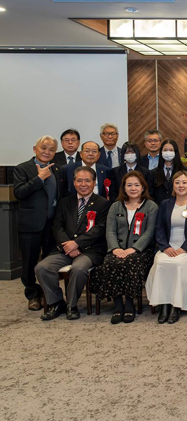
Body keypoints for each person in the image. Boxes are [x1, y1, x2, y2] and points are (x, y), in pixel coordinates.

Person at [36, 166, 110, 320]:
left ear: (94, 182)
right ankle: (56, 302)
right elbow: (57, 226)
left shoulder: (103, 203)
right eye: (79, 180)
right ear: (74, 182)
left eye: (87, 180)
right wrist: (67, 245)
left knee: (78, 268)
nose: (83, 184)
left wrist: (77, 244)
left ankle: (72, 305)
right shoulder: (65, 202)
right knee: (42, 267)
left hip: (90, 250)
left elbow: (100, 229)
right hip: (64, 249)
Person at [92, 171, 158, 324]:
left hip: (141, 251)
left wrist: (134, 249)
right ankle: (117, 306)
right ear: (124, 188)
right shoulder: (115, 206)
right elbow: (110, 230)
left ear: (143, 188)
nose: (133, 188)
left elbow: (149, 232)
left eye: (136, 185)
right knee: (110, 263)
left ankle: (129, 305)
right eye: (129, 185)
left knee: (130, 262)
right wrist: (115, 248)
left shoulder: (150, 206)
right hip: (117, 249)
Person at [146, 170, 187, 324]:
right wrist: (165, 247)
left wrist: (184, 248)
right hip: (168, 247)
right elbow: (159, 228)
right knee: (161, 262)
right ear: (173, 185)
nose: (181, 185)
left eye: (184, 182)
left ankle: (176, 306)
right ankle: (165, 304)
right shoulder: (165, 204)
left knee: (179, 263)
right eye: (177, 182)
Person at [14, 136, 62, 310]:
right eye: (44, 148)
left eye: (51, 149)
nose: (47, 152)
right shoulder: (22, 168)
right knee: (29, 263)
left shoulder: (57, 169)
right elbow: (19, 192)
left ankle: (49, 294)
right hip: (30, 225)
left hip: (51, 225)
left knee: (49, 263)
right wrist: (39, 178)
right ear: (35, 149)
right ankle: (33, 294)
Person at [152, 140, 187, 205]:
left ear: (175, 152)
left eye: (171, 150)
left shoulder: (184, 171)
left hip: (179, 206)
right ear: (161, 152)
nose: (168, 152)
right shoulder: (153, 173)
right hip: (159, 208)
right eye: (165, 150)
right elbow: (151, 194)